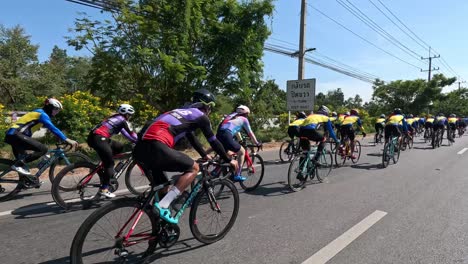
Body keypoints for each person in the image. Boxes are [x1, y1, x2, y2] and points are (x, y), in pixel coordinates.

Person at [133, 89, 238, 224]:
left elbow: (192, 138)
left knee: (162, 186)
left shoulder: (179, 113)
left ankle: (159, 226)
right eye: (210, 107)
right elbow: (213, 141)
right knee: (193, 168)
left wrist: (204, 155)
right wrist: (229, 160)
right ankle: (163, 205)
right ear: (206, 106)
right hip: (156, 145)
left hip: (139, 149)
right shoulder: (201, 116)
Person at [4, 98, 79, 177]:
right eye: (56, 110)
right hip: (16, 135)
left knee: (23, 163)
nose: (57, 113)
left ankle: (22, 184)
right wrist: (67, 139)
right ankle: (18, 164)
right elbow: (53, 128)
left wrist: (59, 138)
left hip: (13, 136)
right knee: (43, 149)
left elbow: (50, 129)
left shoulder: (39, 112)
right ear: (50, 107)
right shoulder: (42, 114)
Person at [87, 104, 138, 198]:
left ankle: (106, 168)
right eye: (130, 115)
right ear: (126, 114)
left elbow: (125, 133)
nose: (130, 117)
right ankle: (104, 189)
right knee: (110, 164)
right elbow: (131, 133)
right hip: (99, 139)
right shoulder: (123, 120)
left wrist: (134, 140)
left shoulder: (115, 118)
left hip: (95, 138)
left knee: (119, 146)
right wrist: (140, 141)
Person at [216, 105, 261, 181]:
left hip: (218, 135)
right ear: (246, 114)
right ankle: (237, 174)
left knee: (228, 154)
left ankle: (217, 171)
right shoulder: (244, 119)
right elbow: (250, 133)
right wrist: (257, 143)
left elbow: (233, 129)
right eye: (247, 114)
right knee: (242, 152)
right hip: (227, 135)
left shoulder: (231, 116)